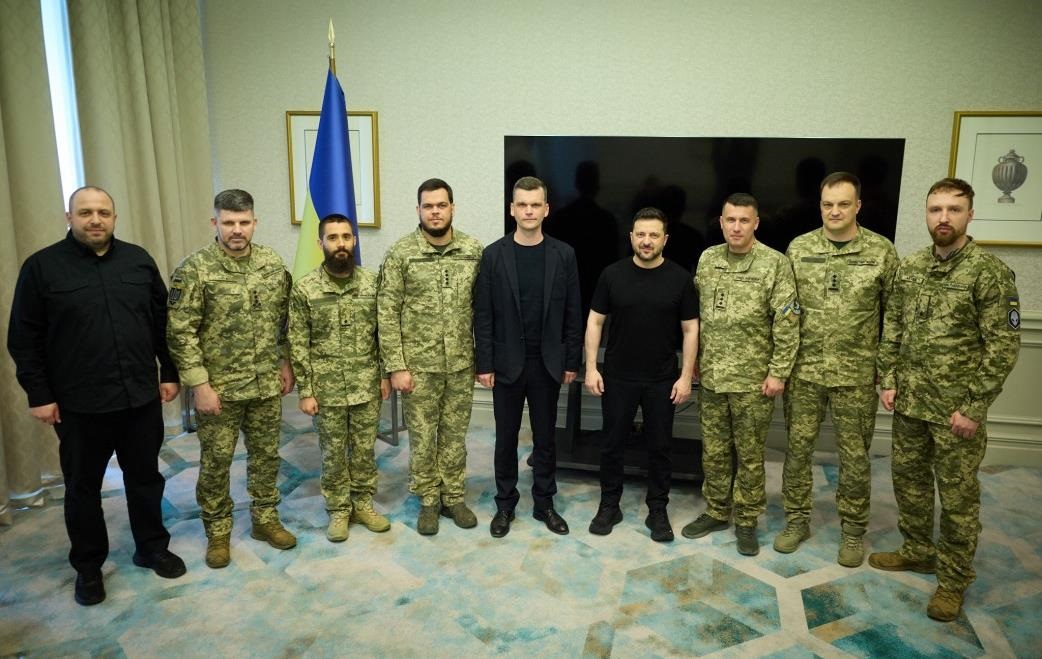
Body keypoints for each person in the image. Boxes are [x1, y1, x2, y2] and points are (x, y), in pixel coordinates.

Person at [7, 186, 186, 606]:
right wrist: (39, 394)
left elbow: (162, 322)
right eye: (85, 212)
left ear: (114, 217)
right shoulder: (42, 267)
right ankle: (88, 567)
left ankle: (151, 548)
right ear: (68, 217)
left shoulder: (138, 260)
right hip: (79, 405)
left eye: (103, 212)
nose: (95, 220)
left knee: (145, 480)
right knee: (83, 489)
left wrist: (169, 372)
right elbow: (24, 337)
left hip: (139, 398)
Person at [869, 178, 1020, 622]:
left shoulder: (989, 272)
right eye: (936, 209)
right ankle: (917, 550)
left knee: (957, 499)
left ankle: (953, 580)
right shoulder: (912, 267)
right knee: (909, 483)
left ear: (970, 214)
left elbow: (1003, 347)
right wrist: (888, 379)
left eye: (954, 209)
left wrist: (973, 408)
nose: (943, 218)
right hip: (910, 402)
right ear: (926, 213)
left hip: (956, 411)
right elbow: (893, 326)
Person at [166, 189, 296, 568]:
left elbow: (284, 321)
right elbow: (180, 332)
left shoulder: (272, 263)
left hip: (265, 383)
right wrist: (199, 385)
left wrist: (285, 362)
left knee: (266, 456)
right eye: (228, 222)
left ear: (254, 222)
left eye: (243, 222)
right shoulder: (194, 270)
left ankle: (265, 519)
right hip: (219, 389)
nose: (236, 230)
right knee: (216, 462)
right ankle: (218, 531)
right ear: (215, 223)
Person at [776, 172, 898, 567]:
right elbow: (787, 312)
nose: (835, 211)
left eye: (843, 204)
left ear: (857, 205)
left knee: (855, 458)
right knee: (797, 452)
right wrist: (782, 364)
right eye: (828, 204)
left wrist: (888, 373)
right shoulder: (799, 249)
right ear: (820, 205)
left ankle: (853, 530)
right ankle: (796, 520)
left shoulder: (881, 251)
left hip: (856, 375)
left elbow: (894, 318)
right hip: (805, 371)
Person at [682, 193, 799, 556]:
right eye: (730, 220)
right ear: (720, 222)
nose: (736, 227)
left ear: (756, 223)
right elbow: (695, 317)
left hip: (753, 381)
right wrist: (693, 360)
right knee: (714, 451)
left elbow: (787, 322)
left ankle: (747, 520)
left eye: (744, 220)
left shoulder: (774, 263)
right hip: (712, 376)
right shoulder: (708, 259)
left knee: (749, 455)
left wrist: (778, 373)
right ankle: (717, 510)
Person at [474, 176, 582, 538]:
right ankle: (505, 504)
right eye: (522, 204)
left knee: (545, 439)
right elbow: (483, 314)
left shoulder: (564, 255)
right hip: (506, 364)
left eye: (535, 204)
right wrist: (484, 363)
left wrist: (571, 360)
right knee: (505, 438)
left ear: (546, 209)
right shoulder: (493, 255)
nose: (529, 211)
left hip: (547, 363)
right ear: (512, 209)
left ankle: (544, 503)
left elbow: (573, 312)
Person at [584, 207, 699, 542]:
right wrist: (591, 368)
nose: (646, 241)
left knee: (660, 447)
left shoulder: (680, 279)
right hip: (617, 377)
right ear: (631, 237)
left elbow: (691, 329)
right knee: (612, 445)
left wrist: (685, 376)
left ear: (665, 239)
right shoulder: (612, 275)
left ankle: (657, 509)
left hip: (662, 380)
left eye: (653, 235)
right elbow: (595, 321)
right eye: (641, 234)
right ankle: (609, 505)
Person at [378, 178, 483, 535]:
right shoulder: (401, 253)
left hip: (460, 364)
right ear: (418, 210)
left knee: (454, 435)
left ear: (453, 208)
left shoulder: (472, 251)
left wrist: (483, 359)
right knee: (422, 437)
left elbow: (484, 309)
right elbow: (387, 312)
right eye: (428, 206)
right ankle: (427, 500)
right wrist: (396, 366)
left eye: (441, 205)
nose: (435, 212)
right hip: (418, 367)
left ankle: (453, 496)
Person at [288, 214, 391, 542]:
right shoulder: (305, 288)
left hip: (366, 384)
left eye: (346, 237)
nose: (341, 244)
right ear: (321, 243)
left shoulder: (373, 283)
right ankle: (338, 509)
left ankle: (363, 504)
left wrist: (385, 375)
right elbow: (298, 343)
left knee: (364, 450)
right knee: (332, 453)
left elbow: (384, 333)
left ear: (354, 240)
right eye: (333, 238)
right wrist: (306, 390)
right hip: (327, 389)